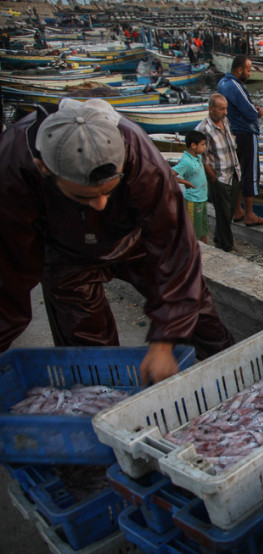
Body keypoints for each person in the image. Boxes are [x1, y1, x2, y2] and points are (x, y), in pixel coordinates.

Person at [0, 98, 235, 383]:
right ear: (44, 168)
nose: (99, 204)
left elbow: (175, 250)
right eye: (85, 196)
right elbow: (9, 273)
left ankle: (236, 375)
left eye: (108, 192)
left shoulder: (142, 158)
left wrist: (165, 340)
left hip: (136, 240)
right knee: (89, 351)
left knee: (196, 309)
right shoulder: (13, 166)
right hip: (66, 254)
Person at [217, 55, 263, 227]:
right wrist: (257, 111)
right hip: (246, 134)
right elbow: (250, 112)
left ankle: (237, 210)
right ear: (239, 70)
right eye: (248, 70)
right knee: (250, 174)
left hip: (233, 134)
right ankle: (249, 214)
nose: (249, 73)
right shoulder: (235, 85)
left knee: (236, 173)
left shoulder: (222, 83)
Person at [197, 93, 241, 253]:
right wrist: (214, 179)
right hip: (219, 177)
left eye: (226, 108)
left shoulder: (225, 121)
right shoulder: (203, 129)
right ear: (211, 109)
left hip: (234, 173)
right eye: (221, 109)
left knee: (229, 212)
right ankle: (227, 246)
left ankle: (218, 237)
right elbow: (204, 159)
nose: (225, 112)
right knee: (222, 213)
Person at [172, 130, 209, 244]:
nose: (205, 147)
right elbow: (168, 175)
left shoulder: (197, 157)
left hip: (202, 199)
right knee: (193, 231)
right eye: (203, 144)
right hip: (193, 200)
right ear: (193, 145)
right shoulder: (186, 161)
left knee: (203, 229)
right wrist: (184, 181)